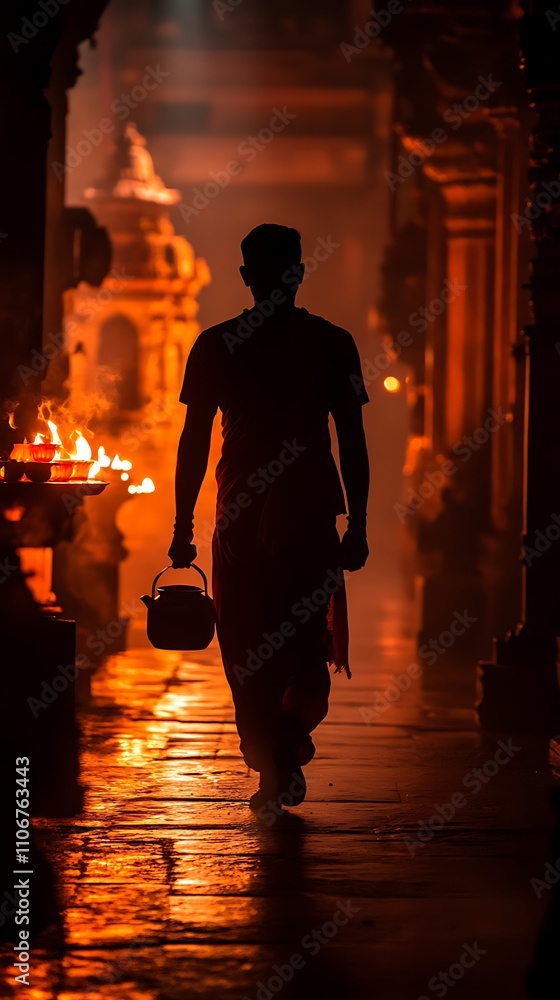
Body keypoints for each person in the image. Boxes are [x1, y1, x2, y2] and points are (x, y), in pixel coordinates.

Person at [169, 224, 369, 812]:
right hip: (295, 510)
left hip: (256, 513)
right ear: (295, 273)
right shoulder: (331, 343)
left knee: (250, 641)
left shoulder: (218, 343)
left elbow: (194, 443)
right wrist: (356, 522)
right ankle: (283, 746)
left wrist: (183, 526)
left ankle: (273, 751)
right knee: (294, 640)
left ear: (246, 276)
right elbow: (351, 441)